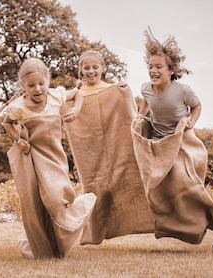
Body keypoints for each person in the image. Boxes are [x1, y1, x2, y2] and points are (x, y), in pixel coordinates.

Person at [131, 29, 213, 244]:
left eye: (158, 67)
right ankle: (166, 221)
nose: (153, 71)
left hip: (181, 138)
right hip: (158, 139)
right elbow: (145, 105)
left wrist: (191, 121)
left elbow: (197, 106)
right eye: (150, 67)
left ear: (171, 70)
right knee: (157, 181)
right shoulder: (146, 89)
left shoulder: (182, 91)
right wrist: (139, 116)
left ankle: (200, 218)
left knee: (183, 179)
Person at [0, 57, 96, 259]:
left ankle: (73, 217)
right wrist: (17, 139)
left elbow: (77, 93)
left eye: (41, 83)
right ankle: (44, 244)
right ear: (22, 85)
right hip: (32, 159)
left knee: (57, 198)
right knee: (37, 202)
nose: (37, 89)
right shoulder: (18, 107)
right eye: (31, 85)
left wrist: (75, 111)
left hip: (55, 158)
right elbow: (7, 123)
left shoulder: (56, 97)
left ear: (47, 81)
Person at [63, 50, 153, 245]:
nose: (91, 71)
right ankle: (96, 231)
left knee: (126, 177)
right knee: (93, 184)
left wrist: (123, 92)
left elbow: (129, 114)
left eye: (95, 67)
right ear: (81, 70)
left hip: (115, 146)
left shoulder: (113, 89)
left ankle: (140, 221)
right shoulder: (76, 94)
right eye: (86, 68)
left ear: (103, 68)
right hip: (88, 149)